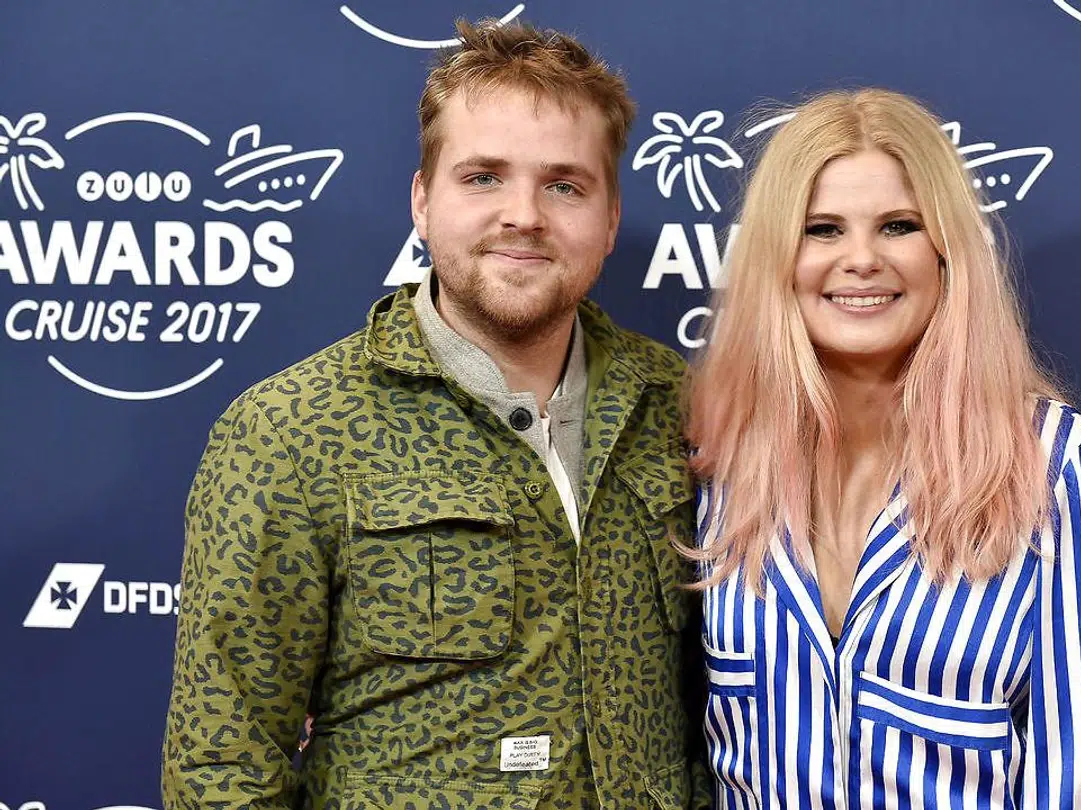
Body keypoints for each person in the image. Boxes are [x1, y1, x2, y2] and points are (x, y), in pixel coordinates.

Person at [162, 19, 708, 810]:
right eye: (483, 176)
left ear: (612, 217)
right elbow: (223, 765)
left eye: (565, 184)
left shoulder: (679, 405)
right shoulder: (289, 431)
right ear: (423, 201)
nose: (524, 213)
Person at [686, 89, 1081, 809]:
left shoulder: (1049, 460)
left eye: (898, 226)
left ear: (946, 254)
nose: (861, 259)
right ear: (777, 257)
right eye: (823, 229)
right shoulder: (718, 459)